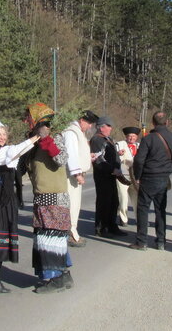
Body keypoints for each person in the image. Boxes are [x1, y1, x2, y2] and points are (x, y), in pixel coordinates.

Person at [0, 120, 38, 293]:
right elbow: (11, 152)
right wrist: (33, 139)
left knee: (2, 233)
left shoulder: (3, 150)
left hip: (4, 196)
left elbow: (16, 154)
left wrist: (33, 142)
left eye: (4, 134)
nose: (3, 137)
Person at [22, 103, 72, 293]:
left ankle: (55, 278)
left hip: (54, 197)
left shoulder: (54, 137)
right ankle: (63, 275)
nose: (25, 121)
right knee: (52, 238)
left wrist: (46, 140)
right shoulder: (34, 140)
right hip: (44, 196)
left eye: (28, 117)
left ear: (37, 118)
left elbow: (62, 159)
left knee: (49, 238)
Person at [130, 111, 172, 250]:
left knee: (143, 209)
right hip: (163, 177)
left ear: (153, 123)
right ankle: (161, 241)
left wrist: (137, 176)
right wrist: (167, 166)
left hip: (148, 177)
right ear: (167, 122)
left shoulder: (149, 138)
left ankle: (142, 241)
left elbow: (139, 160)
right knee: (160, 210)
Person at [62, 110, 99, 247]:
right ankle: (71, 234)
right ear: (81, 120)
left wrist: (88, 157)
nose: (90, 126)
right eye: (88, 123)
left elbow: (77, 153)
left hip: (74, 174)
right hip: (71, 176)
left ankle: (71, 231)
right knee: (72, 204)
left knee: (75, 205)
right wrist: (77, 173)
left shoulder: (77, 132)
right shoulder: (71, 132)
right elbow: (70, 154)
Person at [90, 117, 126, 238]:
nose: (110, 128)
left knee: (113, 201)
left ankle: (112, 225)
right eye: (108, 126)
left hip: (111, 175)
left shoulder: (107, 139)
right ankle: (101, 228)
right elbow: (99, 159)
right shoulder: (96, 140)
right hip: (102, 175)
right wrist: (113, 169)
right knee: (104, 202)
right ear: (101, 127)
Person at [115, 127, 141, 227]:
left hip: (135, 176)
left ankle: (139, 219)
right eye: (129, 136)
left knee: (136, 199)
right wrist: (118, 154)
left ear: (136, 137)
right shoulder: (119, 144)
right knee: (123, 197)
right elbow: (114, 157)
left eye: (133, 136)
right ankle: (123, 218)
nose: (131, 138)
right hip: (123, 175)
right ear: (126, 136)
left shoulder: (140, 146)